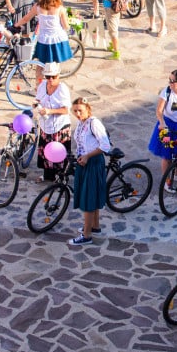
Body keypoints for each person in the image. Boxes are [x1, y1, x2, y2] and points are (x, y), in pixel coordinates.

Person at [70, 97, 111, 246]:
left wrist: (87, 156)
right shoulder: (81, 123)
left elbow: (105, 146)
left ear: (88, 109)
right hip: (84, 162)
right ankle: (95, 226)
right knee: (90, 195)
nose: (77, 113)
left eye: (80, 110)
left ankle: (86, 235)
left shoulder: (94, 123)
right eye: (75, 111)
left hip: (93, 163)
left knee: (88, 198)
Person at [13, 0, 72, 80]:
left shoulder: (38, 7)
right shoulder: (60, 9)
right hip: (57, 39)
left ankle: (38, 86)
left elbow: (25, 19)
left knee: (40, 65)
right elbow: (66, 26)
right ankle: (53, 87)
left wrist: (16, 25)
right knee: (56, 65)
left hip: (44, 39)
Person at [35, 62, 72, 182]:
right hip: (46, 126)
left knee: (59, 153)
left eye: (53, 77)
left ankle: (61, 177)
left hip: (59, 126)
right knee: (46, 152)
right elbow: (38, 99)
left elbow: (66, 109)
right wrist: (37, 104)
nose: (50, 80)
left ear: (58, 76)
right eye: (48, 77)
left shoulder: (62, 89)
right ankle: (48, 176)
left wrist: (50, 111)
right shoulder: (42, 86)